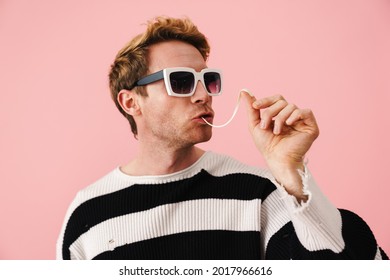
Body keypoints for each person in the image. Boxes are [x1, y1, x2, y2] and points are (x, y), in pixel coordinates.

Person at [56, 16, 388, 260]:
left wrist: (292, 173)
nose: (204, 95)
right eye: (182, 81)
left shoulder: (258, 193)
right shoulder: (87, 213)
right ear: (131, 102)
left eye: (209, 80)